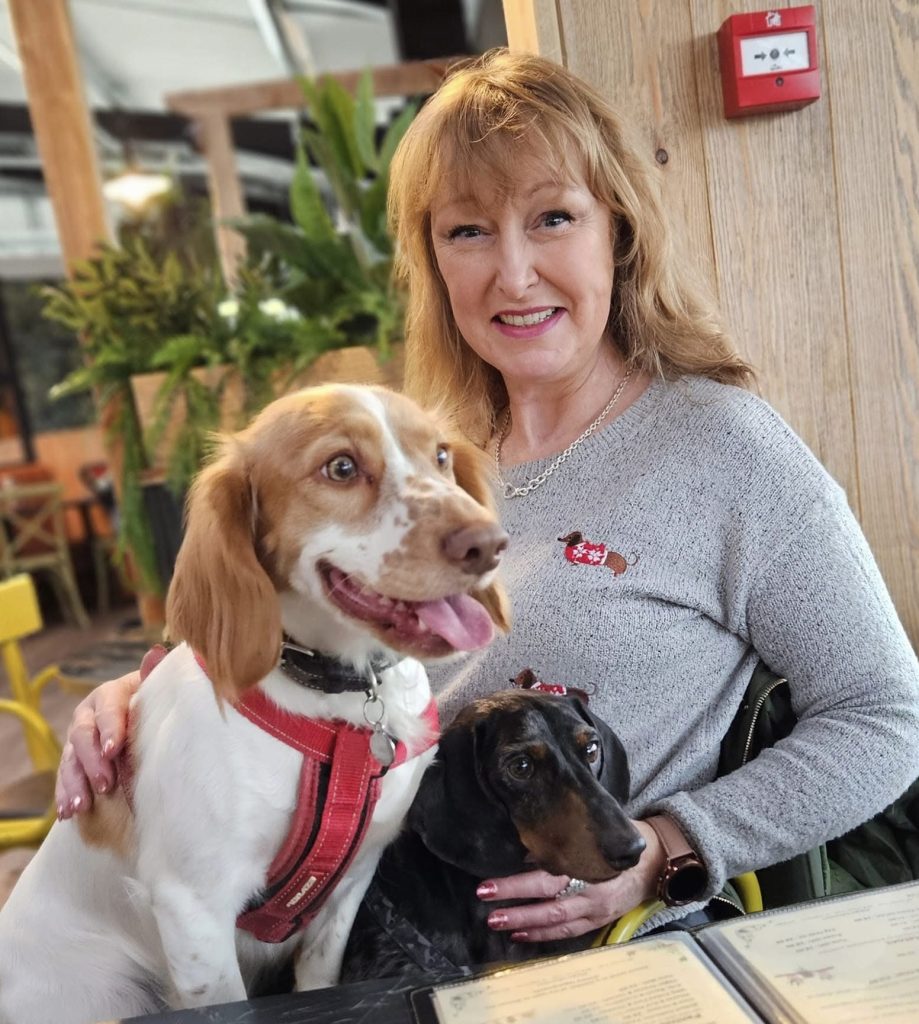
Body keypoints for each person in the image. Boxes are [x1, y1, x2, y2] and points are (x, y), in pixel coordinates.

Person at [56, 49, 919, 945]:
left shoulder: (723, 449)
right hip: (340, 938)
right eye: (467, 232)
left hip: (587, 961)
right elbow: (275, 639)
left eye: (551, 218)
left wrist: (666, 851)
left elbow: (885, 717)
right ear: (431, 260)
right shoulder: (422, 458)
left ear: (615, 231)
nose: (512, 273)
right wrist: (141, 700)